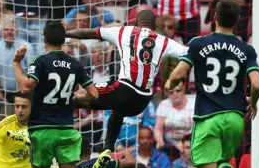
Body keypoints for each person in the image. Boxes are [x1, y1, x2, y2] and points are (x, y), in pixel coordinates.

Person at [165, 0, 259, 168]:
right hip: (235, 118)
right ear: (238, 21)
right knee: (222, 163)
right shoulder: (246, 49)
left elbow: (178, 75)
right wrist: (252, 103)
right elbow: (257, 84)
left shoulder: (198, 43)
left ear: (215, 17)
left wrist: (169, 84)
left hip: (207, 118)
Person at [12, 21, 108, 168]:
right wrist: (72, 99)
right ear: (63, 40)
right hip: (67, 129)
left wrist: (17, 63)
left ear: (44, 39)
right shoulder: (75, 64)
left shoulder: (41, 61)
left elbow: (26, 87)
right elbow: (94, 94)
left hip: (43, 129)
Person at [65, 10, 188, 149]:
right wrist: (173, 78)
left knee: (79, 94)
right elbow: (189, 54)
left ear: (135, 22)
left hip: (125, 89)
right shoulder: (165, 41)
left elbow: (87, 33)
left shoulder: (123, 31)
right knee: (118, 110)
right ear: (154, 26)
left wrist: (64, 34)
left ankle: (59, 130)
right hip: (142, 101)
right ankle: (108, 149)